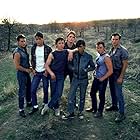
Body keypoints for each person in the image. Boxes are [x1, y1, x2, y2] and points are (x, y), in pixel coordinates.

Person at [41, 37, 76, 116]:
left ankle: (48, 106)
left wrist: (70, 52)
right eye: (59, 43)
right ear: (56, 44)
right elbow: (46, 65)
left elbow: (76, 49)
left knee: (59, 93)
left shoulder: (65, 51)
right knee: (53, 92)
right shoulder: (52, 54)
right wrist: (51, 73)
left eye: (63, 43)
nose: (61, 44)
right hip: (53, 75)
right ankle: (56, 108)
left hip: (61, 75)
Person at [62, 39, 95, 120]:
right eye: (78, 47)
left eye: (81, 46)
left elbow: (93, 66)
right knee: (71, 96)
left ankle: (80, 112)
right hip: (75, 78)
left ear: (84, 46)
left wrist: (86, 70)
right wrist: (73, 69)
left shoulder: (88, 56)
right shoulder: (74, 55)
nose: (80, 48)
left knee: (82, 97)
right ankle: (71, 112)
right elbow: (69, 64)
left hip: (84, 79)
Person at [86, 41, 113, 118]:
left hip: (102, 80)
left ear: (104, 48)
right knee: (92, 93)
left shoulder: (106, 57)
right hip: (96, 78)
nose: (98, 49)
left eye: (100, 47)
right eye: (97, 48)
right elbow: (98, 66)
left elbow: (110, 71)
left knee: (101, 95)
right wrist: (94, 72)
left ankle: (100, 112)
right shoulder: (99, 56)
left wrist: (103, 78)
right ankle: (94, 108)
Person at [106, 33, 128, 122]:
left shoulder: (123, 50)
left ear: (119, 40)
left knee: (119, 93)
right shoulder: (111, 50)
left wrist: (121, 77)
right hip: (112, 73)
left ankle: (121, 113)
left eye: (116, 39)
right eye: (113, 39)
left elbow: (125, 64)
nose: (114, 41)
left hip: (118, 73)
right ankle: (114, 106)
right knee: (112, 91)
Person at [29, 31, 52, 115]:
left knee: (45, 89)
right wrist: (33, 69)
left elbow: (51, 61)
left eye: (39, 39)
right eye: (36, 39)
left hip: (44, 72)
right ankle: (35, 106)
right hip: (36, 72)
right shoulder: (33, 48)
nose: (38, 41)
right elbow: (32, 59)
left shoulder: (48, 48)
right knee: (33, 90)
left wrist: (47, 70)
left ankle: (45, 104)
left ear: (43, 39)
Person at [13, 34, 32, 117]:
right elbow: (17, 66)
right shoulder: (17, 52)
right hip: (21, 74)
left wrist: (30, 67)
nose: (24, 42)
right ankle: (21, 109)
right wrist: (26, 70)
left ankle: (28, 102)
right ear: (18, 42)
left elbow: (27, 62)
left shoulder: (24, 49)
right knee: (22, 91)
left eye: (24, 41)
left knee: (29, 87)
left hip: (27, 72)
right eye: (22, 41)